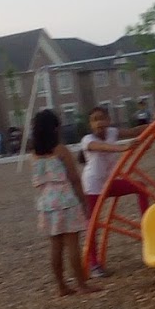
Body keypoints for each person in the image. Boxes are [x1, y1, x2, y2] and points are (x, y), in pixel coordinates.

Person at [29, 109, 99, 297]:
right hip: (65, 199)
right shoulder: (60, 150)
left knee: (55, 246)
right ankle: (81, 284)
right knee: (73, 245)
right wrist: (83, 201)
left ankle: (61, 286)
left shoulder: (34, 154)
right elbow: (74, 178)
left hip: (46, 201)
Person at [80, 106, 149, 279]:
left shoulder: (112, 132)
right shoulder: (87, 140)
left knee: (141, 187)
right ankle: (94, 264)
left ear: (109, 120)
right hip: (93, 187)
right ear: (90, 125)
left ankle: (147, 224)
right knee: (92, 224)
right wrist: (123, 148)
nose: (99, 123)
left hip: (109, 183)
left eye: (102, 118)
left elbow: (134, 131)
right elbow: (102, 147)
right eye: (95, 120)